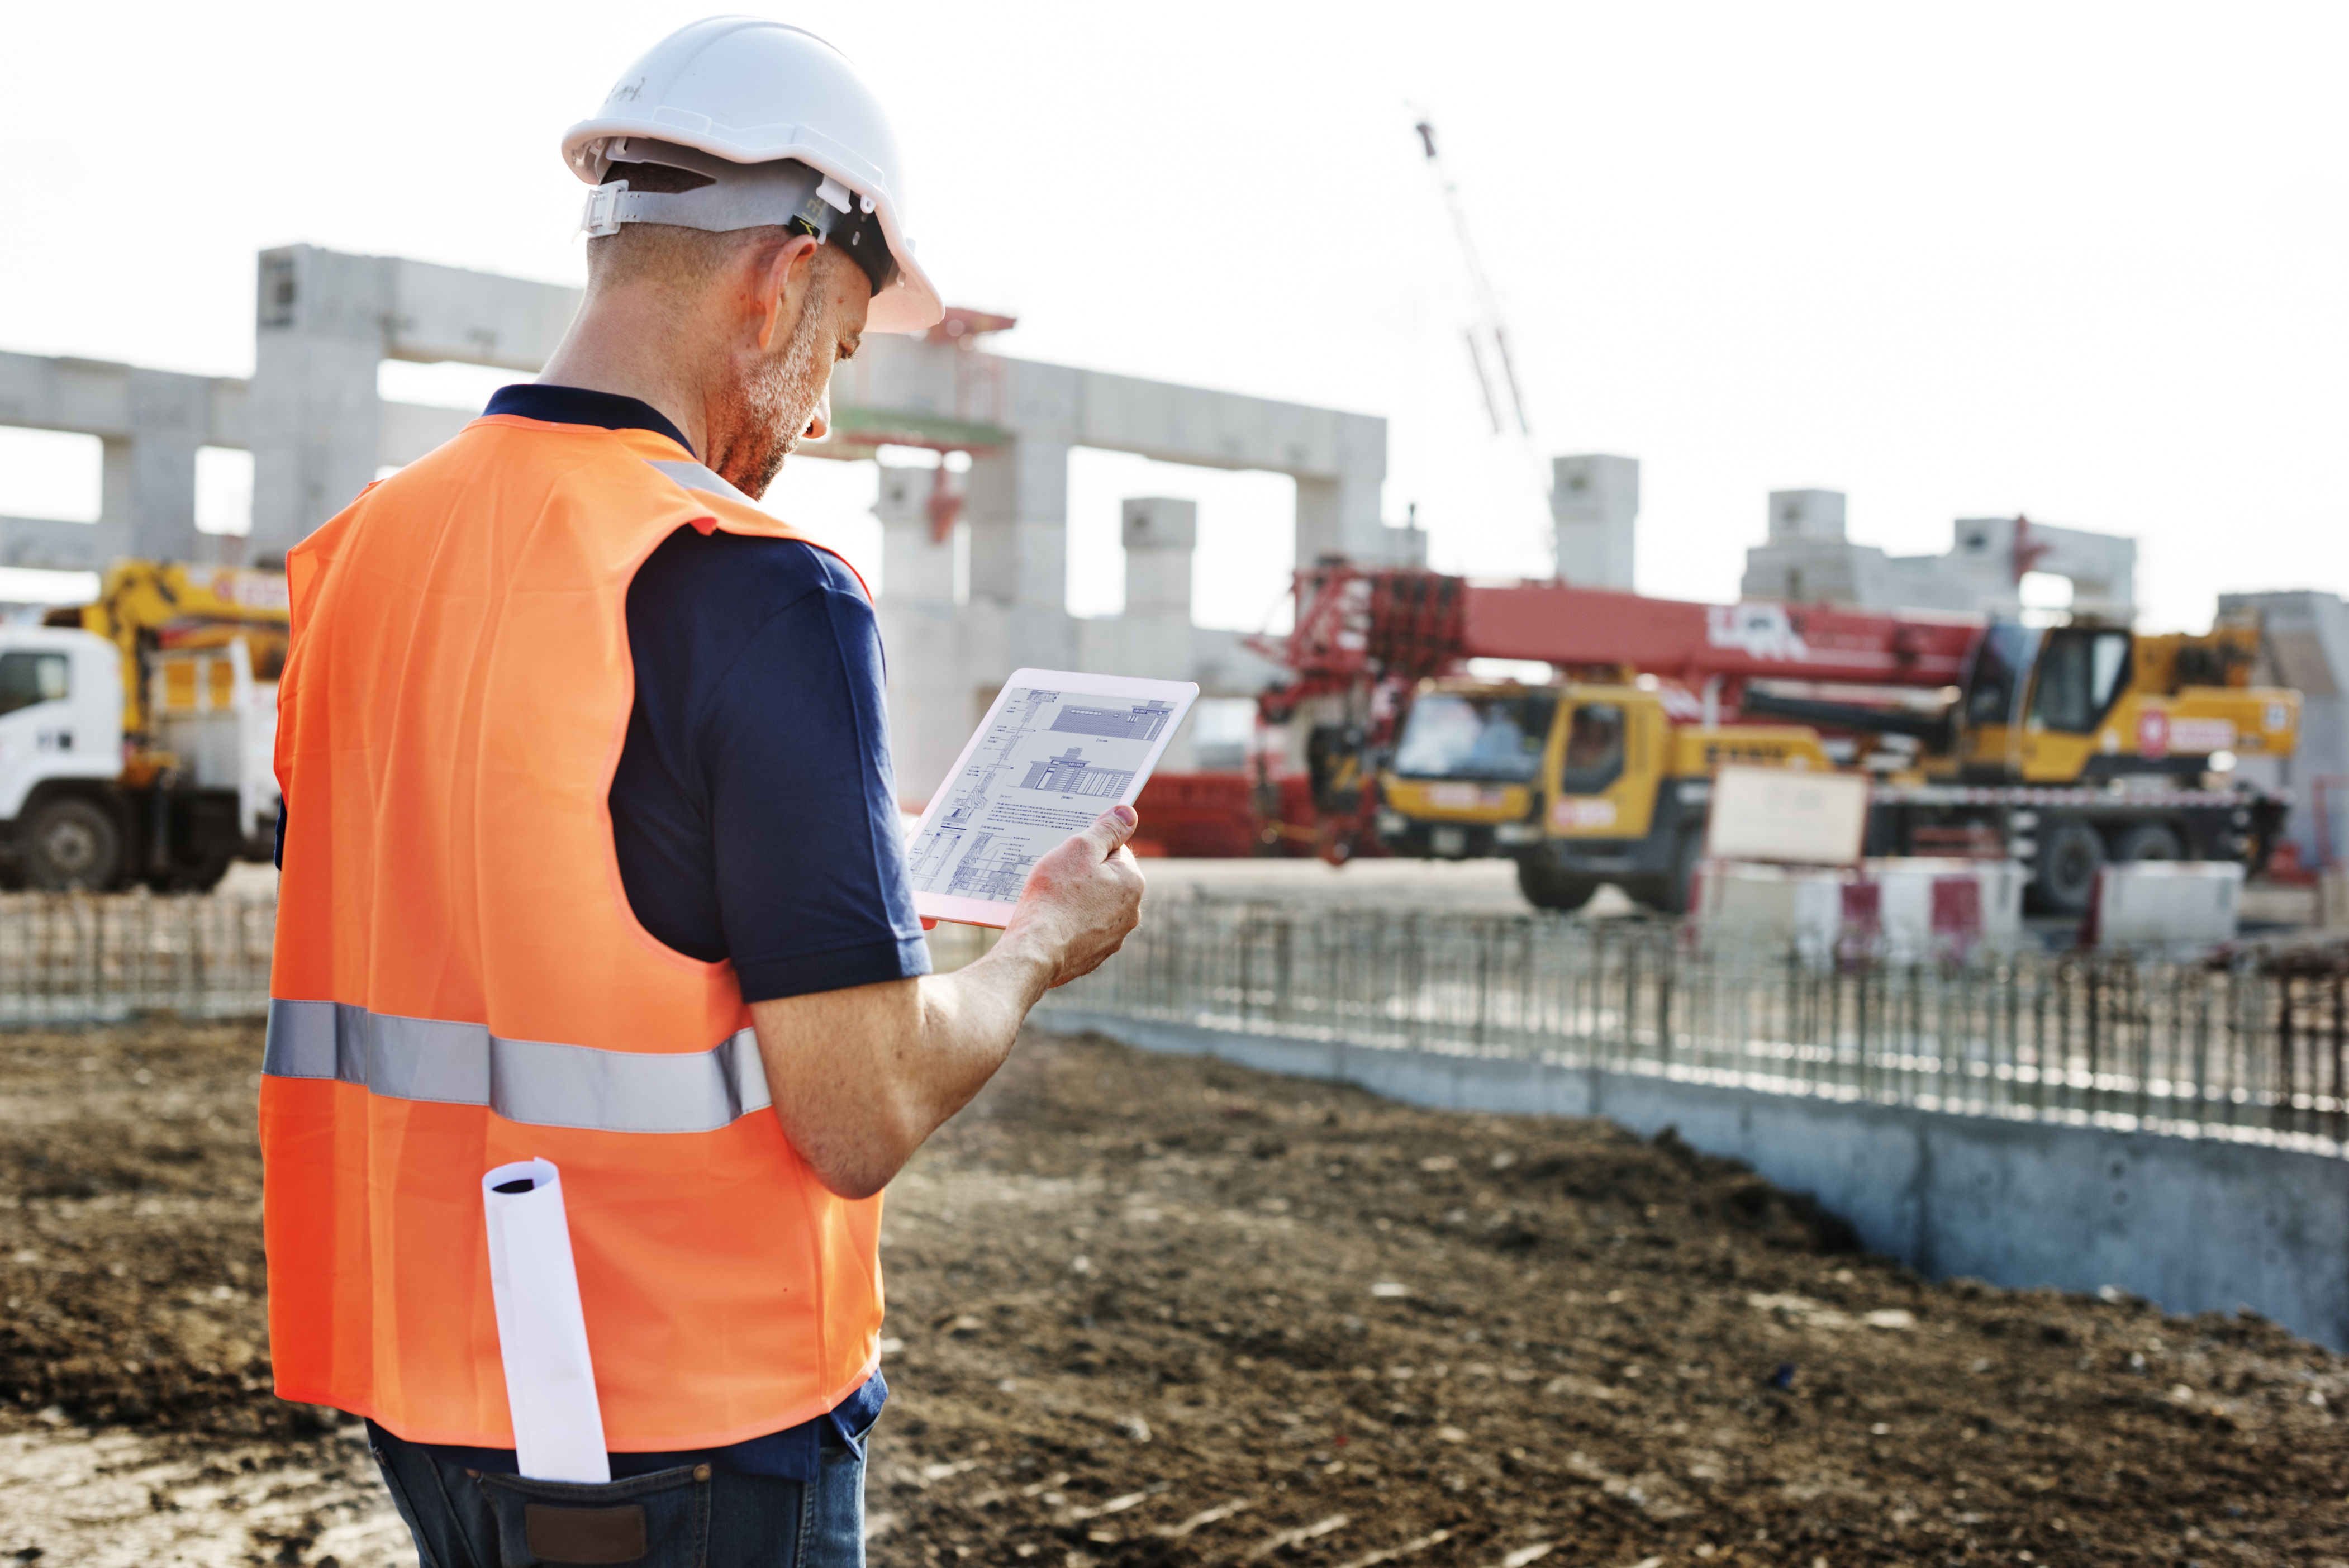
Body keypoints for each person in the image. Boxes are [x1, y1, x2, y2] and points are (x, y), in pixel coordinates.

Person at [258, 18, 1144, 1566]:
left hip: (425, 1386)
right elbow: (856, 1110)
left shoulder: (364, 551)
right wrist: (1033, 949)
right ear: (786, 279)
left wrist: (858, 858)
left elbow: (531, 866)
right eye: (839, 356)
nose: (818, 423)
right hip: (680, 1419)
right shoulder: (759, 588)